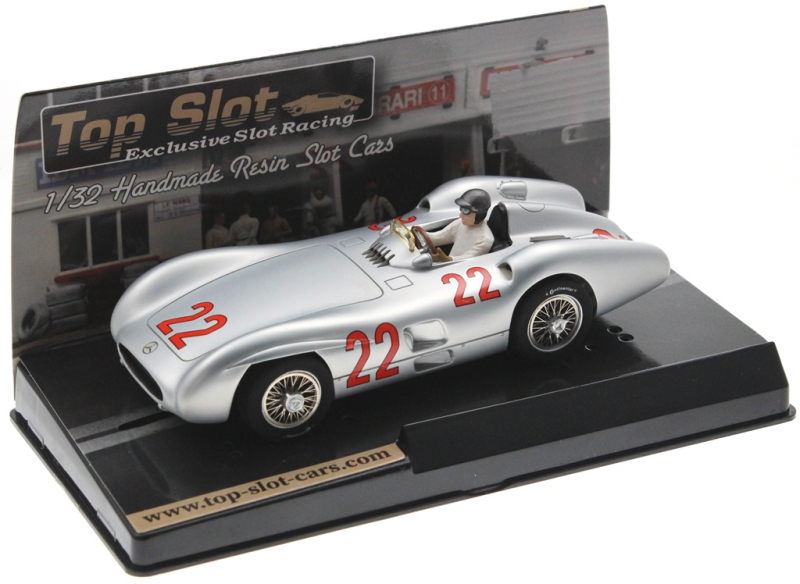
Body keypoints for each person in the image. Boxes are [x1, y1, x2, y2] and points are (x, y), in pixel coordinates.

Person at [420, 188, 494, 262]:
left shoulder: (484, 239)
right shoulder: (461, 223)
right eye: (461, 209)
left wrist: (447, 259)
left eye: (466, 210)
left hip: (458, 268)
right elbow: (438, 237)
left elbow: (467, 259)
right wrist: (419, 235)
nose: (460, 215)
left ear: (480, 214)